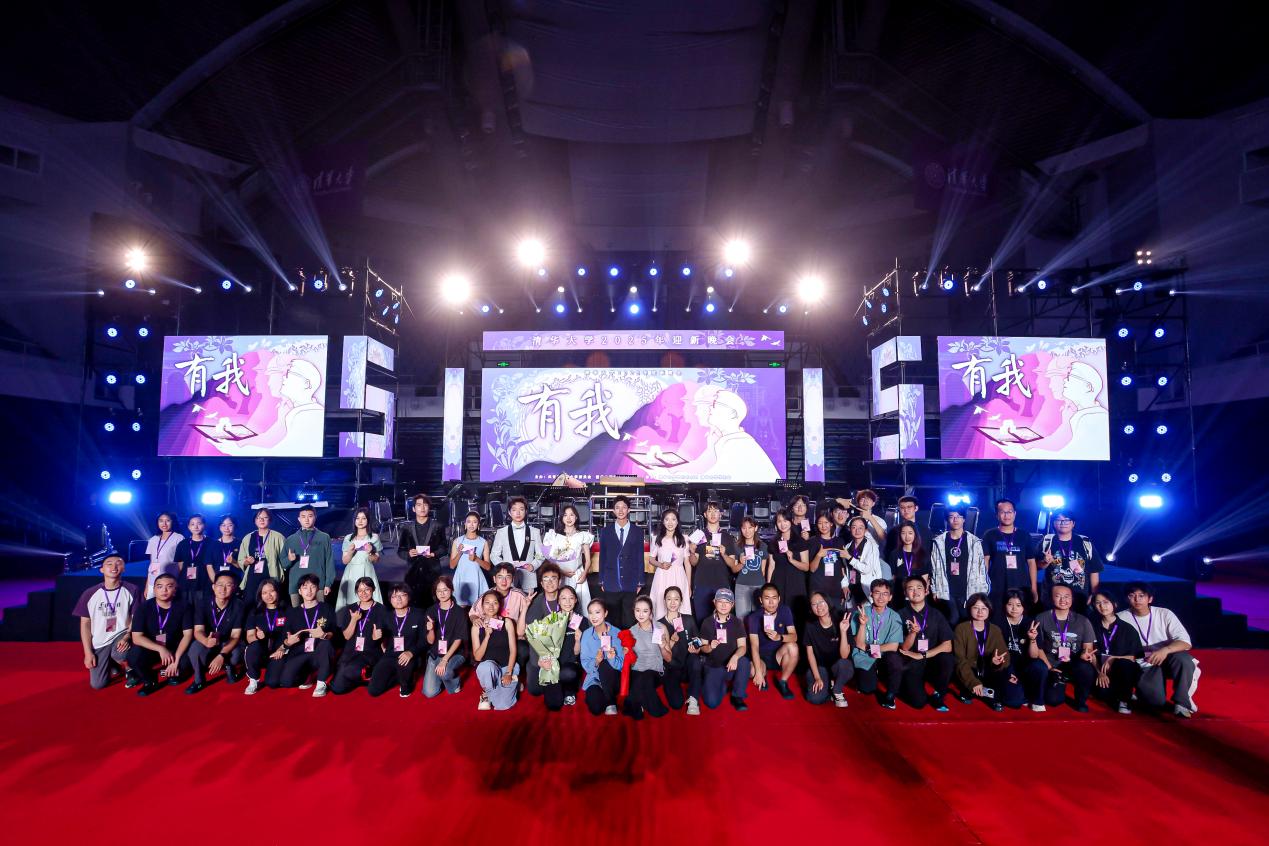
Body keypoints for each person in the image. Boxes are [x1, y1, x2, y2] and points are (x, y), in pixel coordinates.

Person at [1118, 581, 1200, 718]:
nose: (1137, 599)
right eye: (1132, 595)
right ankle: (1141, 691)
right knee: (1155, 703)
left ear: (1150, 599)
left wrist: (1165, 650)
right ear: (1127, 598)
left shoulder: (1164, 614)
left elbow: (1186, 642)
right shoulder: (1121, 617)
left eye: (1141, 595)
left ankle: (1182, 703)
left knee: (1184, 659)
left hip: (1168, 659)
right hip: (1143, 663)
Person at [1026, 584, 1097, 712]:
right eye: (1058, 596)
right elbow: (1039, 648)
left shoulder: (1083, 620)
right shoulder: (1041, 618)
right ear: (1051, 598)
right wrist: (1050, 668)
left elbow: (1088, 647)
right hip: (1051, 664)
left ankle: (1081, 702)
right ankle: (1055, 684)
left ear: (1072, 598)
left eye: (1067, 596)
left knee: (1086, 668)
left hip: (1073, 663)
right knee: (1053, 701)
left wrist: (1084, 655)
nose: (1063, 600)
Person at [74, 555, 141, 689]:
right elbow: (85, 624)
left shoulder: (132, 589)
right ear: (101, 569)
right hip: (100, 641)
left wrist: (127, 636)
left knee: (120, 653)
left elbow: (136, 618)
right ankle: (112, 662)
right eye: (109, 564)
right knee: (97, 684)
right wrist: (88, 653)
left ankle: (129, 669)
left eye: (118, 563)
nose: (114, 567)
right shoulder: (89, 593)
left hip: (121, 634)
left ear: (124, 568)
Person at [896, 576, 958, 711]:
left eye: (919, 588)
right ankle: (904, 686)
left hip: (931, 659)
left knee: (948, 659)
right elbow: (904, 648)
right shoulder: (900, 614)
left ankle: (938, 694)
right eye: (910, 589)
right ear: (905, 593)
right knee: (918, 703)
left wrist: (923, 655)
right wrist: (912, 633)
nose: (915, 591)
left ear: (926, 591)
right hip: (911, 661)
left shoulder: (936, 614)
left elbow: (948, 646)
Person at [126, 573, 193, 696]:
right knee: (133, 656)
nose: (164, 590)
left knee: (180, 669)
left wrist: (176, 660)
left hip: (176, 648)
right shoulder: (143, 608)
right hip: (153, 647)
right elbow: (136, 638)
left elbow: (188, 635)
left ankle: (175, 670)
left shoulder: (184, 606)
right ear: (154, 589)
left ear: (175, 589)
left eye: (169, 586)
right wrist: (160, 649)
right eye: (160, 586)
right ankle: (150, 681)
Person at [187, 572, 246, 694]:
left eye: (228, 585)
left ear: (234, 587)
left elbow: (235, 636)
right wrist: (205, 641)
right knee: (194, 649)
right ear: (213, 587)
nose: (223, 589)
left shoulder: (239, 605)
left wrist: (221, 655)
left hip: (228, 641)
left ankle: (229, 666)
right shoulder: (202, 603)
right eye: (220, 585)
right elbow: (198, 631)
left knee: (237, 654)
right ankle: (199, 680)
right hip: (208, 640)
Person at [279, 573, 337, 696]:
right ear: (300, 591)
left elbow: (334, 634)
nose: (309, 591)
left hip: (319, 653)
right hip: (300, 653)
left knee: (326, 644)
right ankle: (309, 674)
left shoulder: (327, 608)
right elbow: (285, 638)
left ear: (317, 588)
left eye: (312, 587)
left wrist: (324, 635)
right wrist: (288, 642)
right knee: (286, 681)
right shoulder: (292, 612)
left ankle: (321, 683)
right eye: (305, 587)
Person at [952, 594, 1012, 711]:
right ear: (969, 609)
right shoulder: (961, 629)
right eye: (976, 608)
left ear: (989, 610)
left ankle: (987, 694)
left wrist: (997, 662)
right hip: (969, 671)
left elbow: (1005, 656)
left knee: (1005, 691)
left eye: (984, 608)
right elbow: (959, 660)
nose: (980, 612)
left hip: (988, 670)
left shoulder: (995, 630)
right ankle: (970, 689)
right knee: (967, 687)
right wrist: (972, 682)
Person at [330, 577, 389, 695]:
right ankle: (363, 677)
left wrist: (379, 638)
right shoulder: (350, 609)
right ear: (356, 592)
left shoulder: (381, 609)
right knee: (337, 688)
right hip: (351, 652)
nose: (363, 593)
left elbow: (387, 636)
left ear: (373, 589)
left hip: (370, 652)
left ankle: (367, 672)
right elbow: (346, 636)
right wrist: (354, 620)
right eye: (360, 590)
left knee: (348, 672)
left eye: (367, 589)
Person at [850, 579, 904, 709]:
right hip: (864, 656)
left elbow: (893, 646)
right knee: (867, 689)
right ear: (871, 594)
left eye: (885, 594)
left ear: (890, 597)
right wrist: (862, 625)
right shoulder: (860, 613)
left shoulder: (894, 616)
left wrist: (870, 647)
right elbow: (858, 643)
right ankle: (864, 677)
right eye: (877, 593)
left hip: (883, 655)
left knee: (895, 660)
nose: (881, 597)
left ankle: (890, 695)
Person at [929, 507, 987, 625]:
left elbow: (981, 568)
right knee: (951, 621)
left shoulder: (974, 541)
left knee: (967, 622)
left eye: (959, 517)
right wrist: (934, 590)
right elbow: (934, 566)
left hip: (969, 589)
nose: (955, 520)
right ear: (947, 519)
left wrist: (982, 590)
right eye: (951, 517)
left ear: (964, 519)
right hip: (946, 589)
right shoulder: (939, 541)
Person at [593, 495, 644, 629]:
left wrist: (640, 581)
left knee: (630, 619)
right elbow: (603, 557)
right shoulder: (605, 531)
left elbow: (640, 558)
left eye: (624, 507)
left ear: (629, 510)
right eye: (617, 507)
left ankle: (629, 642)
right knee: (612, 620)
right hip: (611, 580)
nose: (621, 510)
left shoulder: (638, 532)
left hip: (631, 581)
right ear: (613, 511)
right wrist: (601, 580)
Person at [369, 583, 427, 698]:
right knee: (373, 691)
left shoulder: (419, 615)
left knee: (405, 690)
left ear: (408, 597)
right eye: (394, 596)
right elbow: (378, 639)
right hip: (390, 655)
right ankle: (397, 678)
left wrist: (411, 652)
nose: (398, 599)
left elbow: (424, 641)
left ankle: (407, 682)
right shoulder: (386, 616)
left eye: (402, 595)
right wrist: (375, 638)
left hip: (411, 655)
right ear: (390, 600)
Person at [1090, 590, 1143, 714]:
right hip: (1100, 671)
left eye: (1106, 602)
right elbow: (1090, 652)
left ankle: (1125, 700)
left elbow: (1133, 657)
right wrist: (1099, 672)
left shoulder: (1128, 629)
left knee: (1125, 664)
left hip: (1122, 670)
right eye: (1098, 603)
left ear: (1114, 604)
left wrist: (1114, 658)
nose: (1102, 606)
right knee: (1102, 695)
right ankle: (1122, 692)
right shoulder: (1092, 627)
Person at [980, 499, 1040, 608]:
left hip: (1021, 586)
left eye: (1009, 512)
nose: (1006, 515)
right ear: (997, 515)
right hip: (997, 586)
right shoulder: (990, 535)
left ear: (1015, 513)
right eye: (1002, 512)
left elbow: (1031, 562)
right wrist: (983, 585)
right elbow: (985, 561)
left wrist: (1034, 588)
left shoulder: (1024, 535)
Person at [1038, 510, 1103, 611]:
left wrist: (1094, 594)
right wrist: (1045, 562)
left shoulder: (1084, 542)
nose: (1063, 523)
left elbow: (1094, 570)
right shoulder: (1047, 541)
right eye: (1059, 520)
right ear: (1054, 523)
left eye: (1066, 520)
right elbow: (1037, 566)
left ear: (1073, 523)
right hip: (1054, 598)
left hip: (1080, 597)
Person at [698, 588, 750, 712]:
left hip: (731, 666)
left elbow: (743, 647)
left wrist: (735, 657)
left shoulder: (737, 622)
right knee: (711, 703)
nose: (723, 605)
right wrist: (710, 647)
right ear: (714, 602)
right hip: (714, 666)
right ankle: (721, 685)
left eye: (727, 602)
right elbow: (702, 648)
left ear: (732, 604)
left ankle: (737, 696)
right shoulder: (707, 622)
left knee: (744, 662)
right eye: (720, 601)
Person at [688, 500, 739, 622]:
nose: (713, 514)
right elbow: (693, 562)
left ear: (721, 514)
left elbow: (732, 564)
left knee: (722, 620)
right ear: (705, 514)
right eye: (709, 511)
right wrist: (692, 552)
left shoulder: (727, 537)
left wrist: (724, 554)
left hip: (721, 584)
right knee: (701, 621)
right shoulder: (698, 535)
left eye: (716, 511)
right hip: (702, 584)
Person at [534, 584, 583, 710]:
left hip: (570, 665)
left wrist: (578, 641)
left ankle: (569, 689)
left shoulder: (581, 621)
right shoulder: (551, 619)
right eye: (563, 598)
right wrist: (541, 661)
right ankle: (558, 686)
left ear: (576, 600)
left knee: (569, 673)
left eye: (571, 598)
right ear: (558, 601)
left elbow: (577, 653)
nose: (568, 602)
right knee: (554, 705)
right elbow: (542, 644)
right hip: (553, 665)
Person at [746, 583, 797, 700]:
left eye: (774, 598)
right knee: (752, 672)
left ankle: (783, 681)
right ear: (761, 600)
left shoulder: (785, 610)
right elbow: (754, 646)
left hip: (779, 655)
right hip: (761, 656)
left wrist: (779, 637)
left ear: (779, 599)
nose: (771, 602)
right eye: (767, 598)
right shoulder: (753, 617)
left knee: (793, 647)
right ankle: (763, 673)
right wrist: (758, 672)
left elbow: (794, 637)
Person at [524, 562, 567, 699]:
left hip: (561, 650)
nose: (550, 582)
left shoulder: (566, 598)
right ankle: (531, 667)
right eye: (546, 579)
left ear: (559, 582)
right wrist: (539, 660)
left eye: (553, 578)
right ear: (541, 583)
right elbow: (531, 635)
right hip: (540, 652)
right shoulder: (537, 602)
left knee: (566, 676)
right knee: (535, 690)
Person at [803, 591, 853, 707]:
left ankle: (837, 689)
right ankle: (828, 688)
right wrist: (817, 677)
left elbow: (844, 656)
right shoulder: (809, 625)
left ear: (828, 602)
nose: (818, 606)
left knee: (845, 665)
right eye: (814, 604)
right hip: (820, 667)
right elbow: (810, 654)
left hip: (837, 666)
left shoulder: (841, 620)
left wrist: (843, 632)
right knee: (815, 698)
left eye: (821, 602)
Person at [541, 503, 594, 614]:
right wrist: (561, 571)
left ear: (576, 517)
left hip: (577, 574)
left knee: (580, 603)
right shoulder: (555, 536)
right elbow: (550, 557)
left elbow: (588, 560)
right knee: (562, 603)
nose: (569, 518)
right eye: (565, 515)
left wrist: (584, 573)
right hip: (561, 575)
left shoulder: (583, 535)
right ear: (561, 518)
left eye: (572, 515)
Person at [421, 576, 469, 698]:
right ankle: (441, 675)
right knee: (429, 693)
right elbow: (430, 641)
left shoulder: (459, 612)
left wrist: (444, 660)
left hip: (455, 653)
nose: (442, 594)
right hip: (436, 653)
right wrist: (431, 629)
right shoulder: (431, 611)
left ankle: (454, 681)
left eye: (445, 590)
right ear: (435, 593)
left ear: (451, 590)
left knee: (446, 673)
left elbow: (458, 640)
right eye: (439, 591)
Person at [658, 585, 703, 714]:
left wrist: (696, 649)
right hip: (671, 668)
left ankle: (693, 699)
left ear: (681, 601)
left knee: (695, 660)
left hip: (688, 665)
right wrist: (671, 642)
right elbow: (659, 654)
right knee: (676, 704)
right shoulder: (659, 624)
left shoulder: (688, 619)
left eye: (676, 599)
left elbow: (698, 642)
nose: (673, 602)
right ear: (664, 601)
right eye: (669, 599)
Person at [624, 596, 670, 720]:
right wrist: (626, 653)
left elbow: (669, 658)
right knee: (637, 678)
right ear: (633, 611)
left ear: (650, 612)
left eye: (645, 611)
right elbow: (629, 659)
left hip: (654, 671)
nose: (641, 614)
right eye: (638, 610)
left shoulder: (660, 628)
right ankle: (639, 706)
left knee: (646, 677)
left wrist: (662, 647)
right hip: (637, 670)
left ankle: (655, 710)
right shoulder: (630, 631)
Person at [472, 590, 519, 711]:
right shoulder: (477, 627)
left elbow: (513, 650)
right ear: (482, 606)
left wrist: (508, 672)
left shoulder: (507, 622)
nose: (491, 606)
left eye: (495, 603)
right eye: (487, 603)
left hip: (507, 667)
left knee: (502, 705)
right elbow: (477, 657)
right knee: (485, 667)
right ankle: (489, 691)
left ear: (500, 605)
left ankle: (489, 693)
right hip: (489, 670)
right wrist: (487, 636)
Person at [399, 494, 447, 606]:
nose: (422, 508)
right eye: (419, 505)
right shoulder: (406, 528)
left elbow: (444, 548)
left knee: (434, 604)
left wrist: (434, 554)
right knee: (414, 605)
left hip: (433, 571)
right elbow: (401, 550)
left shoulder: (438, 526)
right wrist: (408, 554)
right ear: (413, 508)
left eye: (425, 505)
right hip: (413, 572)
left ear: (429, 508)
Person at [764, 509, 810, 627]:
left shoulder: (800, 541)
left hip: (796, 584)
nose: (782, 524)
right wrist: (768, 586)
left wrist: (792, 560)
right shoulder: (773, 543)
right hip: (778, 582)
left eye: (785, 520)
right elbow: (771, 566)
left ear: (791, 521)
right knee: (778, 616)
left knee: (796, 617)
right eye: (779, 521)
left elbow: (806, 567)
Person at [243, 578, 289, 695]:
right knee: (253, 647)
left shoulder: (287, 610)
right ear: (260, 595)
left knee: (272, 683)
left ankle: (276, 669)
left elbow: (291, 635)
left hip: (279, 652)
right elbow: (249, 636)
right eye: (264, 593)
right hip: (261, 652)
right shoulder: (255, 612)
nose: (268, 595)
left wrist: (283, 649)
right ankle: (253, 680)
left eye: (272, 591)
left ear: (277, 591)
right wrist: (258, 637)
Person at [579, 598, 625, 715]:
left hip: (614, 678)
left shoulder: (618, 633)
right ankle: (603, 695)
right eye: (590, 613)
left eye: (597, 612)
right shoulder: (586, 635)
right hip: (595, 679)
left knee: (605, 663)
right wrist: (596, 662)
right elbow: (584, 662)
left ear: (605, 613)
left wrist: (612, 659)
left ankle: (610, 702)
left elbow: (622, 665)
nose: (593, 616)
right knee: (596, 708)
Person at [283, 505, 334, 608]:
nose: (306, 519)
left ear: (315, 517)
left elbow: (329, 562)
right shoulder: (291, 539)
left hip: (318, 584)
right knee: (297, 614)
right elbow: (283, 563)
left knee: (319, 614)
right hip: (296, 585)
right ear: (299, 519)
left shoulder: (324, 537)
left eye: (310, 516)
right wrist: (289, 559)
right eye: (303, 516)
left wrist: (328, 583)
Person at [490, 496, 543, 593]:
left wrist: (533, 565)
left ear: (526, 511)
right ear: (509, 512)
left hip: (528, 577)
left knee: (528, 602)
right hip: (507, 579)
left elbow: (541, 554)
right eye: (514, 510)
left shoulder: (535, 531)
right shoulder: (501, 532)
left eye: (521, 509)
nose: (518, 513)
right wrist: (505, 568)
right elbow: (494, 555)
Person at [647, 507, 691, 621]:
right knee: (660, 606)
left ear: (677, 522)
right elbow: (651, 559)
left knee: (679, 607)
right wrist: (660, 565)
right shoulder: (657, 539)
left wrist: (689, 585)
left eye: (673, 519)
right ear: (663, 521)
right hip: (662, 575)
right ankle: (661, 630)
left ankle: (680, 631)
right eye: (667, 519)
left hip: (679, 575)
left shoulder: (684, 539)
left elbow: (687, 563)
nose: (670, 522)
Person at [337, 508, 384, 610]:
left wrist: (370, 552)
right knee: (351, 599)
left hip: (367, 571)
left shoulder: (374, 537)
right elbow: (344, 561)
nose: (360, 521)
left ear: (368, 520)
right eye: (357, 518)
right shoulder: (348, 538)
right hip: (351, 572)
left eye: (363, 518)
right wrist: (350, 552)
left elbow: (376, 560)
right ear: (354, 520)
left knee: (368, 598)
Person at [238, 508, 285, 604]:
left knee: (270, 604)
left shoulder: (278, 537)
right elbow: (241, 560)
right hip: (252, 577)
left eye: (265, 517)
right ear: (255, 520)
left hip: (271, 576)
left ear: (270, 520)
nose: (262, 520)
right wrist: (247, 562)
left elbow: (284, 559)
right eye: (258, 518)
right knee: (251, 604)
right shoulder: (248, 538)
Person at [842, 516, 887, 608]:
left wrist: (849, 558)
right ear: (850, 529)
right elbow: (845, 569)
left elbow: (867, 569)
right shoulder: (847, 547)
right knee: (853, 614)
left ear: (866, 530)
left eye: (860, 528)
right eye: (854, 527)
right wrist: (844, 585)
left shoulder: (871, 546)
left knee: (868, 613)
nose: (857, 530)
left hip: (867, 587)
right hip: (852, 586)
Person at [450, 511, 491, 608]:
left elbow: (488, 567)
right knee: (461, 609)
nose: (471, 524)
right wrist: (460, 552)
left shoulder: (483, 542)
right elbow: (452, 565)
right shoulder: (457, 541)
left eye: (474, 522)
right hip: (461, 577)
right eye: (469, 522)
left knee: (477, 609)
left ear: (478, 525)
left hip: (476, 578)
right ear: (465, 524)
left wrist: (476, 558)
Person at [808, 513, 847, 612]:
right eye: (820, 523)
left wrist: (844, 585)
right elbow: (812, 569)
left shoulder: (839, 541)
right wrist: (818, 555)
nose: (823, 526)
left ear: (831, 524)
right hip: (818, 586)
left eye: (826, 522)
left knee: (836, 615)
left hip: (835, 586)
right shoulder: (812, 542)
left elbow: (842, 567)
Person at [1000, 589, 1032, 708]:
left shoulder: (1031, 623)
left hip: (1024, 665)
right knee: (1014, 702)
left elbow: (1034, 655)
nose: (1014, 609)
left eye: (1018, 605)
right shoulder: (998, 622)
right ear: (1004, 605)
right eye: (1010, 604)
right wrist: (1008, 672)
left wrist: (1032, 639)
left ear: (1024, 607)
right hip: (1005, 665)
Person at [173, 514, 213, 610]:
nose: (196, 527)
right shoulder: (183, 544)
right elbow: (179, 565)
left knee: (201, 611)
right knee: (185, 610)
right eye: (192, 524)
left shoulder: (212, 543)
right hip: (185, 584)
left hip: (204, 584)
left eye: (199, 523)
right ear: (188, 526)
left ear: (204, 525)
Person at [733, 516, 768, 620]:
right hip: (742, 586)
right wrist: (741, 563)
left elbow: (763, 570)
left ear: (755, 528)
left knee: (758, 619)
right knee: (741, 618)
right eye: (744, 528)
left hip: (758, 586)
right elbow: (734, 569)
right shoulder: (737, 546)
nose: (747, 531)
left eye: (750, 527)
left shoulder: (763, 546)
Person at [144, 511, 184, 598]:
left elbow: (181, 563)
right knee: (151, 605)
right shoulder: (153, 539)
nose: (164, 524)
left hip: (169, 582)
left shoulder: (179, 538)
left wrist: (177, 581)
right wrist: (147, 585)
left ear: (172, 522)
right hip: (153, 582)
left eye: (167, 520)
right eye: (161, 521)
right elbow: (151, 563)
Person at [888, 524, 930, 602]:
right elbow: (893, 576)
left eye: (910, 533)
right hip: (899, 594)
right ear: (900, 535)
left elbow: (925, 577)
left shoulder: (922, 554)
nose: (907, 537)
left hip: (917, 594)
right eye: (903, 533)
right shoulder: (894, 554)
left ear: (915, 535)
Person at [214, 515, 238, 583]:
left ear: (235, 526)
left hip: (235, 581)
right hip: (217, 583)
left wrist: (234, 562)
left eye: (230, 525)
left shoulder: (241, 543)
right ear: (219, 527)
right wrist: (217, 583)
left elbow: (244, 566)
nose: (226, 528)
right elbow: (209, 566)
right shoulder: (213, 544)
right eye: (223, 525)